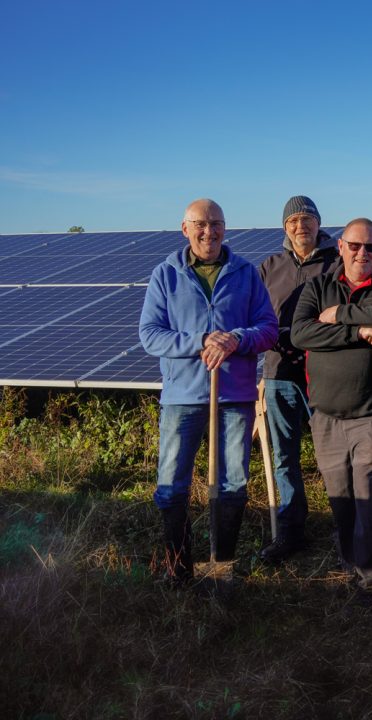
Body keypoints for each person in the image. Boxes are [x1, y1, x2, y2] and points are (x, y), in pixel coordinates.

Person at [139, 198, 278, 585]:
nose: (208, 231)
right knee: (171, 482)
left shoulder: (246, 273)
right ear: (185, 229)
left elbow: (267, 328)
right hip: (183, 397)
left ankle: (222, 564)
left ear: (225, 228)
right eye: (200, 224)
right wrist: (200, 339)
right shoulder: (165, 275)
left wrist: (235, 338)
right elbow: (150, 335)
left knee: (233, 480)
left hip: (234, 396)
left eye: (216, 223)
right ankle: (179, 567)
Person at [291, 218, 372, 595]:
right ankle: (352, 563)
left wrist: (340, 316)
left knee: (371, 496)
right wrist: (360, 331)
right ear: (341, 246)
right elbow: (301, 332)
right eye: (355, 246)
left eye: (371, 247)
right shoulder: (318, 286)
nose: (363, 253)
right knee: (341, 496)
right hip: (325, 413)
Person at [257, 195, 341, 564]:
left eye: (307, 219)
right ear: (285, 227)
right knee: (283, 457)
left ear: (318, 223)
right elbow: (254, 313)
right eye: (293, 221)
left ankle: (345, 529)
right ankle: (290, 530)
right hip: (277, 373)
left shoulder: (337, 262)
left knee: (334, 455)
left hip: (322, 371)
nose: (300, 226)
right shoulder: (269, 266)